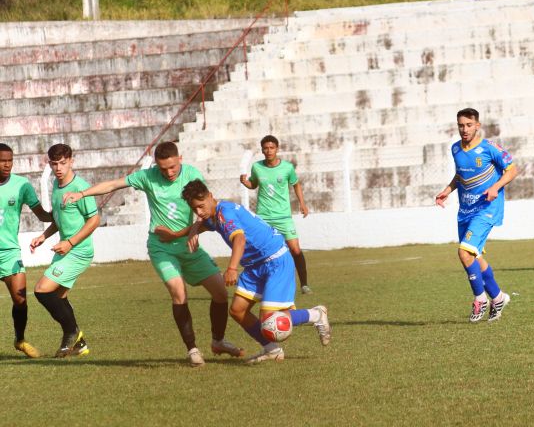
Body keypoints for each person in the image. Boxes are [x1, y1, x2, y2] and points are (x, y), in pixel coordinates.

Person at [63, 141, 242, 367]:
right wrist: (82, 193)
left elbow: (203, 208)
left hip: (187, 245)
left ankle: (218, 341)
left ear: (180, 159)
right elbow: (114, 184)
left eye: (173, 167)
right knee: (179, 293)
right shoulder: (147, 176)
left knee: (220, 294)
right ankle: (193, 350)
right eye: (163, 168)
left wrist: (191, 230)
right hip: (161, 247)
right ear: (156, 164)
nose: (168, 172)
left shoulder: (192, 174)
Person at [181, 179, 330, 364]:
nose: (199, 212)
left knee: (270, 319)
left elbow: (240, 240)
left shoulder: (225, 213)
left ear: (211, 196)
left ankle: (316, 315)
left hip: (275, 260)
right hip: (255, 266)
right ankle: (272, 350)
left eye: (201, 206)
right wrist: (192, 229)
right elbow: (204, 225)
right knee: (237, 311)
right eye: (194, 209)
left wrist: (232, 268)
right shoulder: (214, 214)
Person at [435, 108, 518, 323]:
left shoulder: (489, 148)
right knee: (474, 256)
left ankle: (480, 298)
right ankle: (498, 297)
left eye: (469, 125)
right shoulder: (455, 149)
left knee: (464, 252)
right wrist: (447, 190)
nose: (464, 129)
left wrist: (495, 187)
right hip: (465, 210)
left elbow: (512, 169)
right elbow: (460, 175)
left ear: (477, 125)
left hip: (487, 209)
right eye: (461, 125)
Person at [30, 144, 99, 357]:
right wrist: (43, 236)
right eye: (54, 164)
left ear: (71, 161)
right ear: (49, 163)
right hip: (65, 251)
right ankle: (79, 344)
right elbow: (60, 220)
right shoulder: (56, 187)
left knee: (42, 290)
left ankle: (72, 332)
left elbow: (94, 220)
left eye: (63, 163)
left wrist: (71, 243)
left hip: (78, 251)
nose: (58, 168)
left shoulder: (80, 187)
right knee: (59, 297)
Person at [240, 135, 313, 295]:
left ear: (277, 149)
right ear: (262, 150)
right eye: (265, 148)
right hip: (264, 218)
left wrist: (302, 203)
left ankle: (304, 284)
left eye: (272, 148)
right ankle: (261, 286)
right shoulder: (257, 167)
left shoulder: (287, 167)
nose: (269, 151)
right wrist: (247, 183)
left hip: (283, 217)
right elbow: (254, 184)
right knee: (264, 252)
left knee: (295, 249)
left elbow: (296, 184)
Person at [0, 143, 52, 358]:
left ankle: (20, 340)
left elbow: (41, 214)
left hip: (9, 251)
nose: (7, 165)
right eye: (3, 161)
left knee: (21, 299)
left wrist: (60, 213)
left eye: (10, 160)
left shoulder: (22, 185)